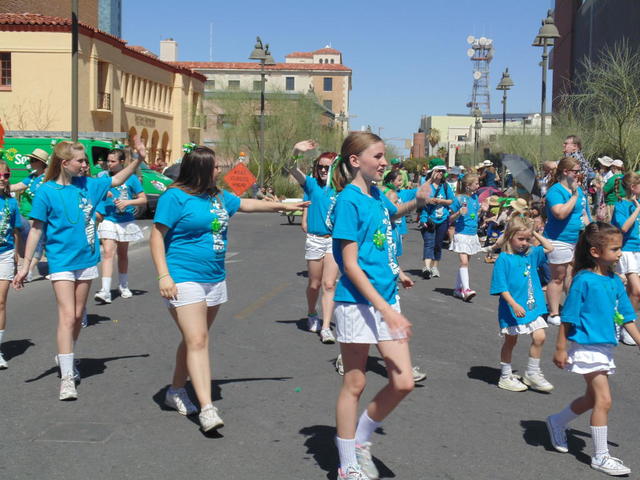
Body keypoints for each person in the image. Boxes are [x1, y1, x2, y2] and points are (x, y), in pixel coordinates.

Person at [150, 145, 307, 432]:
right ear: (200, 169)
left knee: (193, 339)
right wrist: (163, 276)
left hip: (214, 278)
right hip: (183, 277)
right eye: (214, 167)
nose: (219, 171)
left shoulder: (218, 197)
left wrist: (283, 206)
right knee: (197, 340)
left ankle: (175, 390)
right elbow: (157, 236)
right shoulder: (175, 197)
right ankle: (207, 408)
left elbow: (246, 204)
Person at [13, 138, 145, 401]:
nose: (86, 165)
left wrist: (138, 159)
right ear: (65, 163)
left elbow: (117, 180)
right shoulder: (46, 191)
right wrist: (25, 266)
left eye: (86, 161)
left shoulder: (90, 185)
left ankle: (66, 355)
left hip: (86, 260)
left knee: (76, 317)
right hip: (61, 261)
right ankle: (67, 377)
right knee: (66, 315)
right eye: (81, 161)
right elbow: (37, 230)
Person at [330, 132, 428, 480]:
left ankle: (360, 440)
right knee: (355, 384)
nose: (384, 162)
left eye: (384, 156)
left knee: (402, 382)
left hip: (386, 297)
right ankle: (347, 465)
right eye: (378, 156)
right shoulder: (348, 200)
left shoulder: (374, 195)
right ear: (356, 160)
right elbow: (351, 264)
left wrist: (417, 199)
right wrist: (385, 310)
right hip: (357, 303)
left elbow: (387, 229)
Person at [546, 221, 640, 476]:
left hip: (605, 346)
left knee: (591, 398)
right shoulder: (583, 280)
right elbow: (569, 317)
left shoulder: (614, 282)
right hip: (587, 346)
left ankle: (557, 421)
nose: (620, 253)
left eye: (620, 248)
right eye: (615, 249)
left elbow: (627, 315)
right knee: (604, 400)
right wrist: (560, 348)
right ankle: (600, 456)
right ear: (595, 252)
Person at [490, 216, 555, 392]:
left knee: (540, 336)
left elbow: (550, 247)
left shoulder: (531, 254)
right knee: (511, 342)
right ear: (510, 236)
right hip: (512, 308)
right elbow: (501, 287)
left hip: (531, 306)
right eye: (521, 239)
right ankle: (505, 376)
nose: (525, 243)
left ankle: (532, 373)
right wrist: (513, 304)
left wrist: (532, 231)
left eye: (528, 239)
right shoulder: (503, 259)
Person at [286, 141, 339, 344]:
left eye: (328, 166)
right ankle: (311, 313)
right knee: (315, 284)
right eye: (321, 166)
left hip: (334, 241)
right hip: (315, 240)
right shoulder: (311, 184)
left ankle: (326, 327)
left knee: (329, 284)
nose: (324, 170)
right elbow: (291, 167)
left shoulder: (341, 189)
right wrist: (296, 150)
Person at [94, 147, 147, 303]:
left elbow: (143, 199)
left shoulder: (131, 178)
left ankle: (123, 285)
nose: (109, 164)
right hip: (108, 218)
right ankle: (105, 290)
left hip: (125, 219)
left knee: (122, 254)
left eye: (113, 161)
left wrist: (127, 202)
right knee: (108, 252)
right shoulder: (103, 177)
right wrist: (104, 193)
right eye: (108, 161)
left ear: (122, 162)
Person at [543, 156, 591, 326]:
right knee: (558, 276)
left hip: (576, 240)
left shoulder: (579, 191)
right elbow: (560, 213)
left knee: (572, 276)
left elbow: (584, 215)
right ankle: (554, 312)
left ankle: (571, 309)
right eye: (576, 171)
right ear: (565, 172)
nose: (579, 175)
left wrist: (593, 231)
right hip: (558, 239)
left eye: (579, 171)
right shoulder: (556, 191)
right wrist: (574, 196)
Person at [610, 172, 640, 345]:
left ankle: (622, 324)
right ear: (632, 187)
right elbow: (623, 228)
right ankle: (628, 327)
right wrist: (636, 210)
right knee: (636, 290)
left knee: (631, 293)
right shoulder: (621, 205)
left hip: (639, 250)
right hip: (627, 250)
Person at [10, 147, 48, 280]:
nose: (30, 162)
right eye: (30, 159)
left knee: (39, 244)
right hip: (28, 216)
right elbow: (17, 186)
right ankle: (26, 267)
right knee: (27, 241)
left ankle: (29, 271)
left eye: (33, 160)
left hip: (43, 218)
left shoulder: (48, 179)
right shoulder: (31, 177)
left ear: (41, 163)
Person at [0, 160, 23, 369]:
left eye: (6, 175)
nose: (3, 178)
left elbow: (16, 231)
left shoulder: (11, 203)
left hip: (5, 254)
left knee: (0, 301)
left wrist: (17, 255)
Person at [449, 173, 484, 301]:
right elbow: (450, 218)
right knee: (464, 262)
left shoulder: (475, 198)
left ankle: (458, 289)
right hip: (461, 234)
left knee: (465, 263)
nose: (478, 186)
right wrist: (459, 213)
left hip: (472, 234)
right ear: (468, 186)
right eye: (476, 183)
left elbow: (474, 216)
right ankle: (466, 289)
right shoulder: (458, 199)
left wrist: (482, 211)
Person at [419, 165, 454, 279]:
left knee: (438, 245)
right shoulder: (427, 186)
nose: (440, 173)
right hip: (429, 219)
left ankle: (435, 267)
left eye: (442, 171)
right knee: (429, 243)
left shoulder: (445, 186)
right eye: (438, 171)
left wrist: (440, 201)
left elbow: (450, 200)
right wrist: (423, 217)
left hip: (443, 219)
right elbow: (420, 201)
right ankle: (427, 268)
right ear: (432, 172)